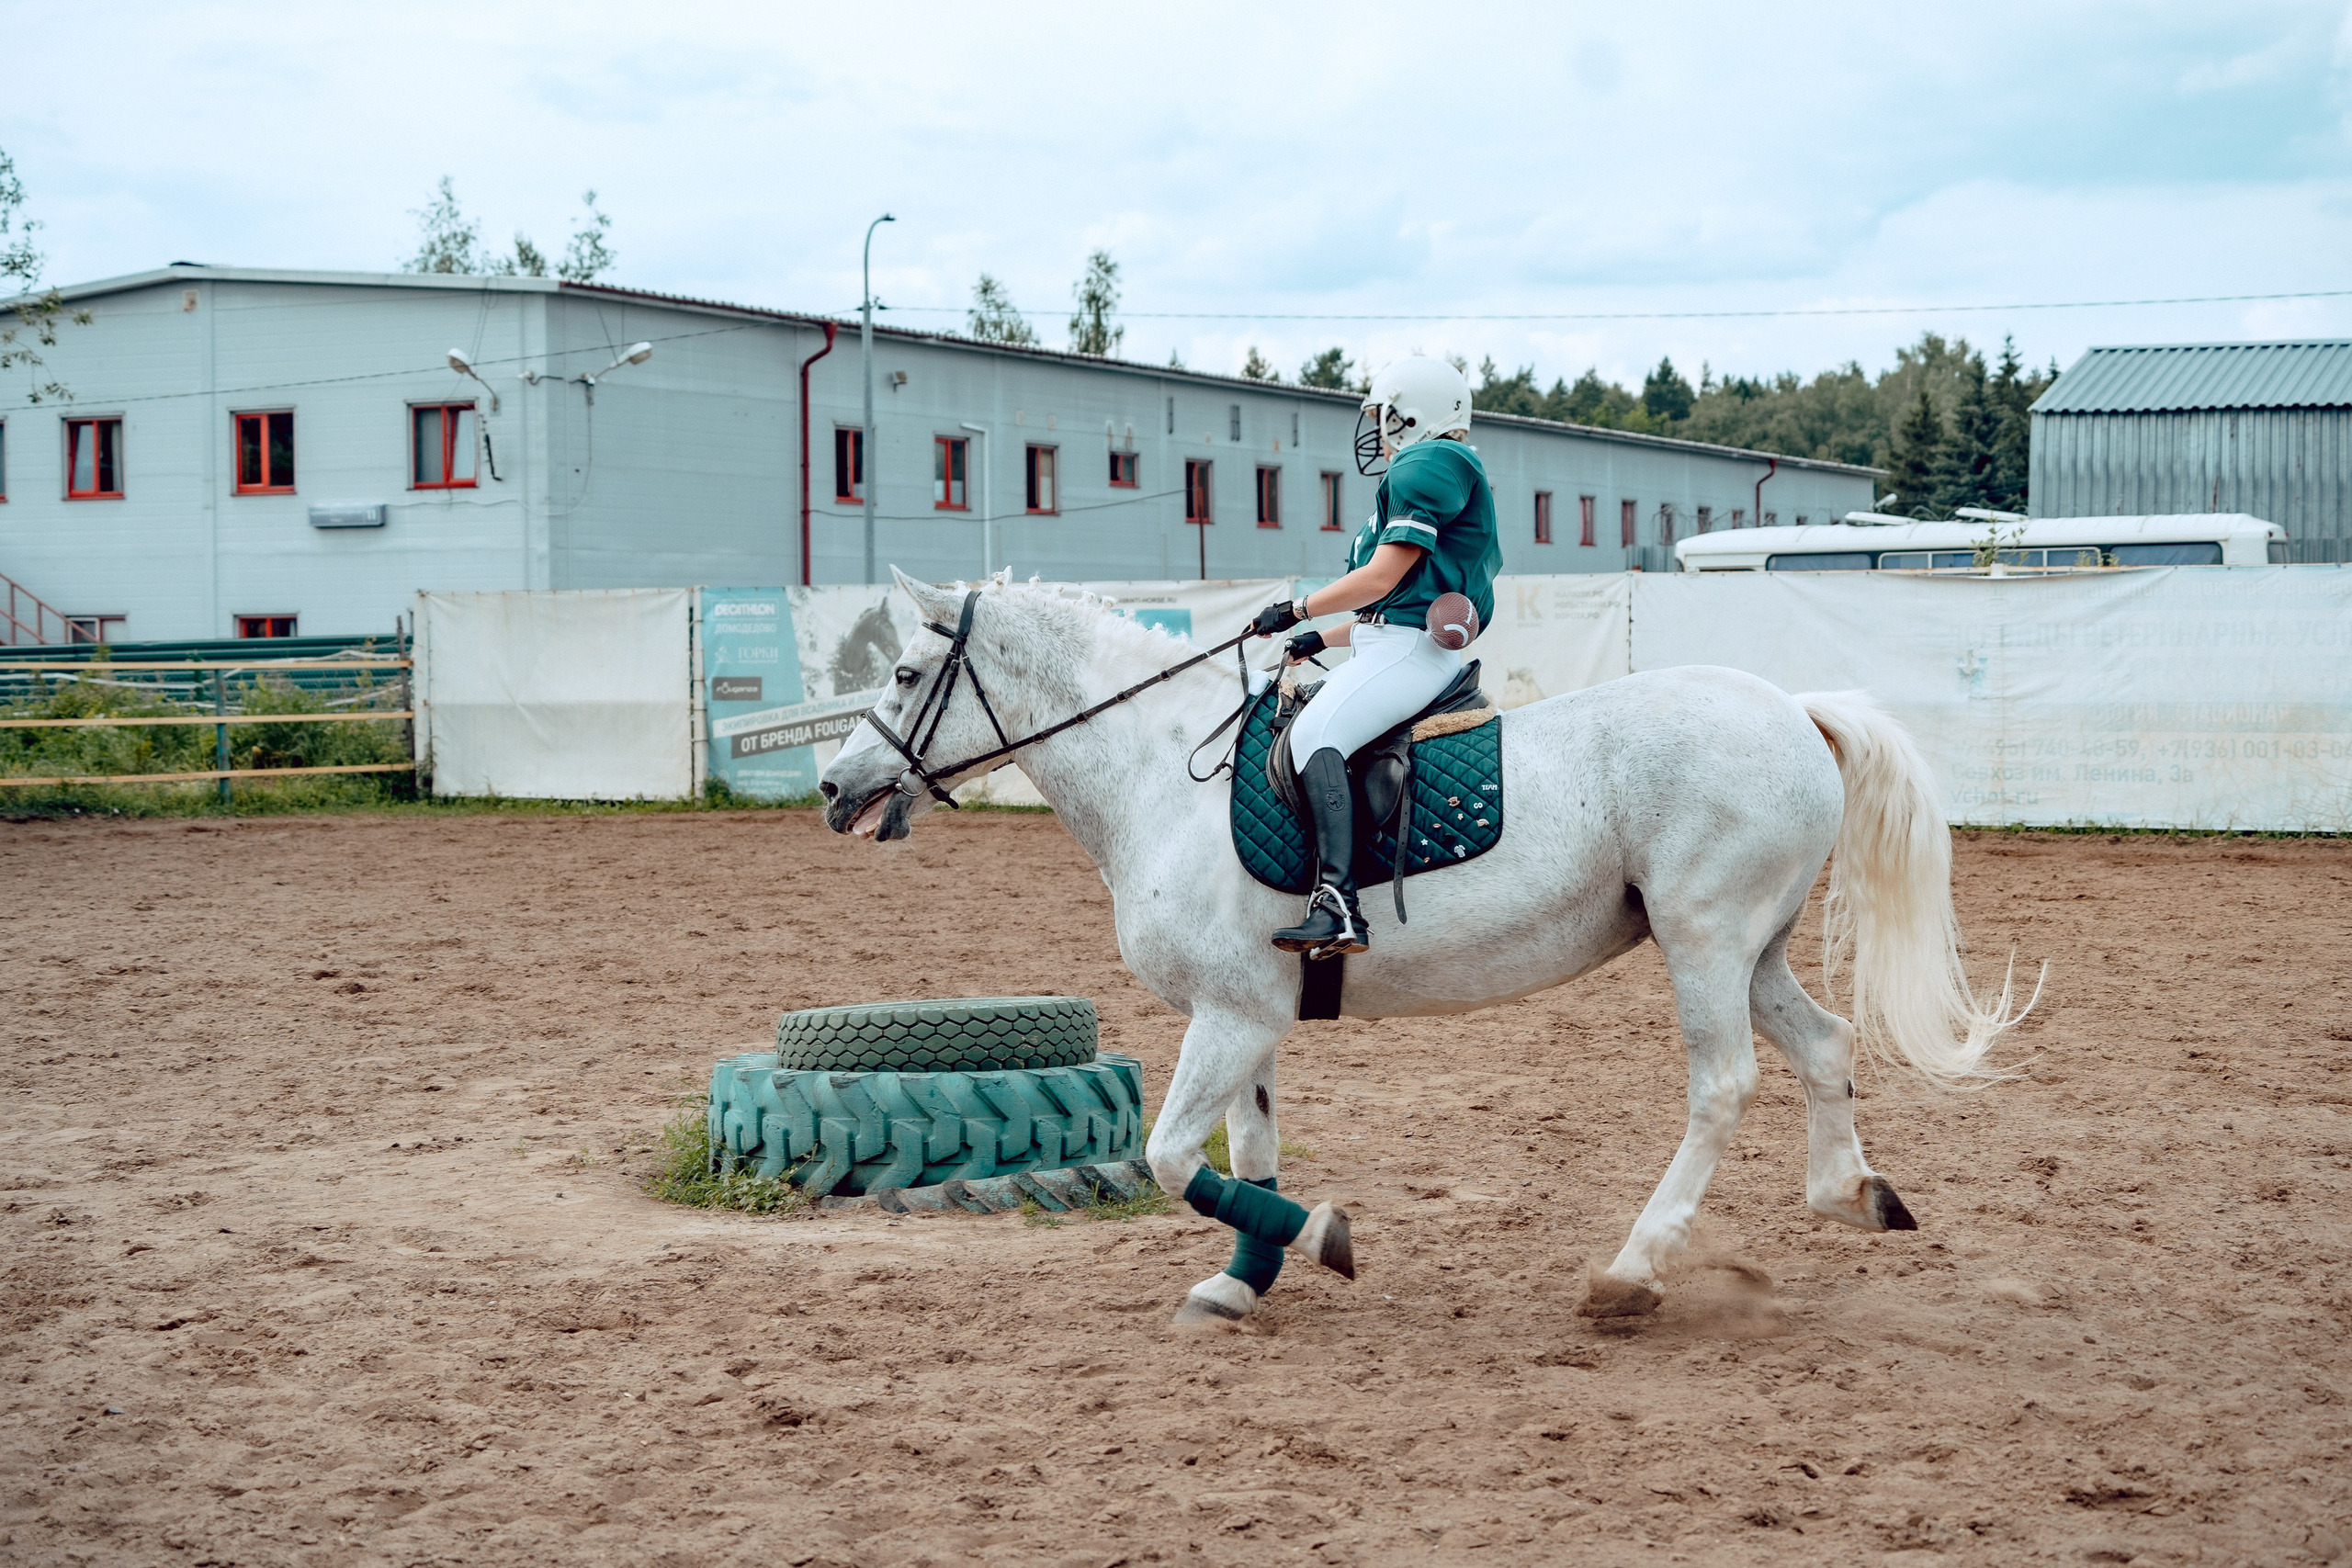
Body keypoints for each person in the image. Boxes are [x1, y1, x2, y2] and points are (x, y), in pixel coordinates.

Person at [1247, 355, 1500, 956]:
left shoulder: (1433, 460)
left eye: (1385, 415)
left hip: (1413, 653)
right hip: (1392, 644)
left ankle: (1337, 904)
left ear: (1414, 413)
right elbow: (1382, 613)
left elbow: (1384, 579)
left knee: (1312, 736)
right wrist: (1321, 638)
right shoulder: (1413, 474)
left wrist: (1299, 609)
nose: (1378, 429)